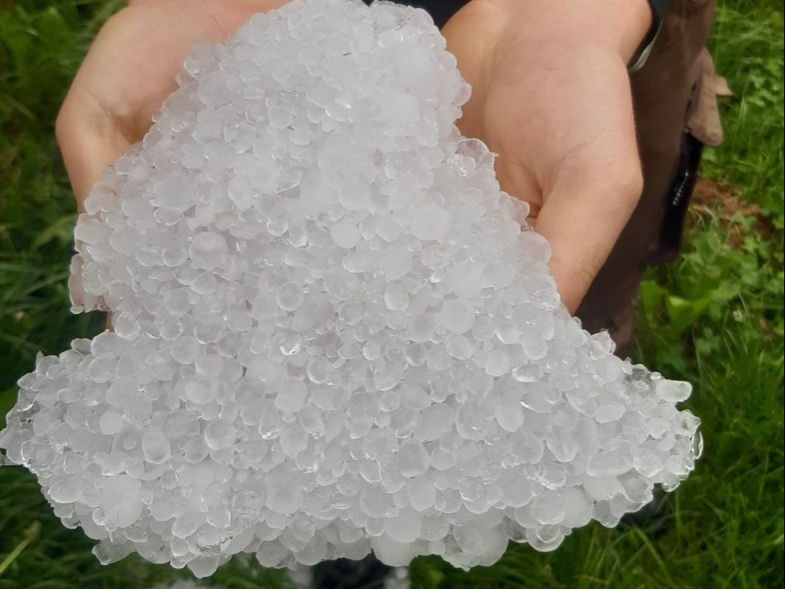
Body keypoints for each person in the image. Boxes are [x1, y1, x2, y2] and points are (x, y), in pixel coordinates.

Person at [54, 0, 724, 585]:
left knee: (564, 269)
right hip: (261, 35)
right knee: (284, 362)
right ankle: (351, 542)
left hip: (549, 38)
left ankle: (602, 427)